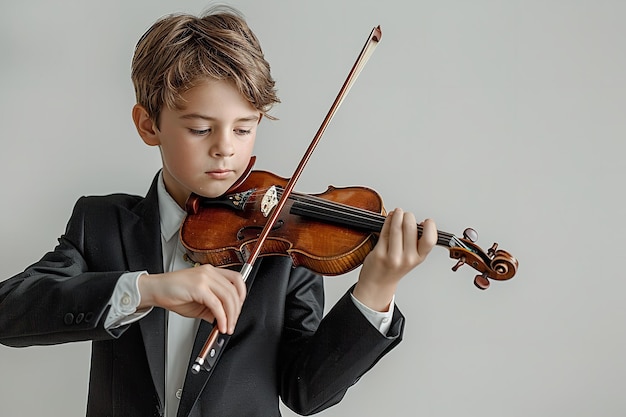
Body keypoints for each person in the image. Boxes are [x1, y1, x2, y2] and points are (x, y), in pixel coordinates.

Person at [0, 6, 437, 417]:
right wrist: (147, 290)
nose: (225, 147)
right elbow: (10, 312)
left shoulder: (285, 242)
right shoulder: (102, 224)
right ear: (148, 125)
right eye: (200, 128)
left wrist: (377, 288)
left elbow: (306, 390)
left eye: (244, 127)